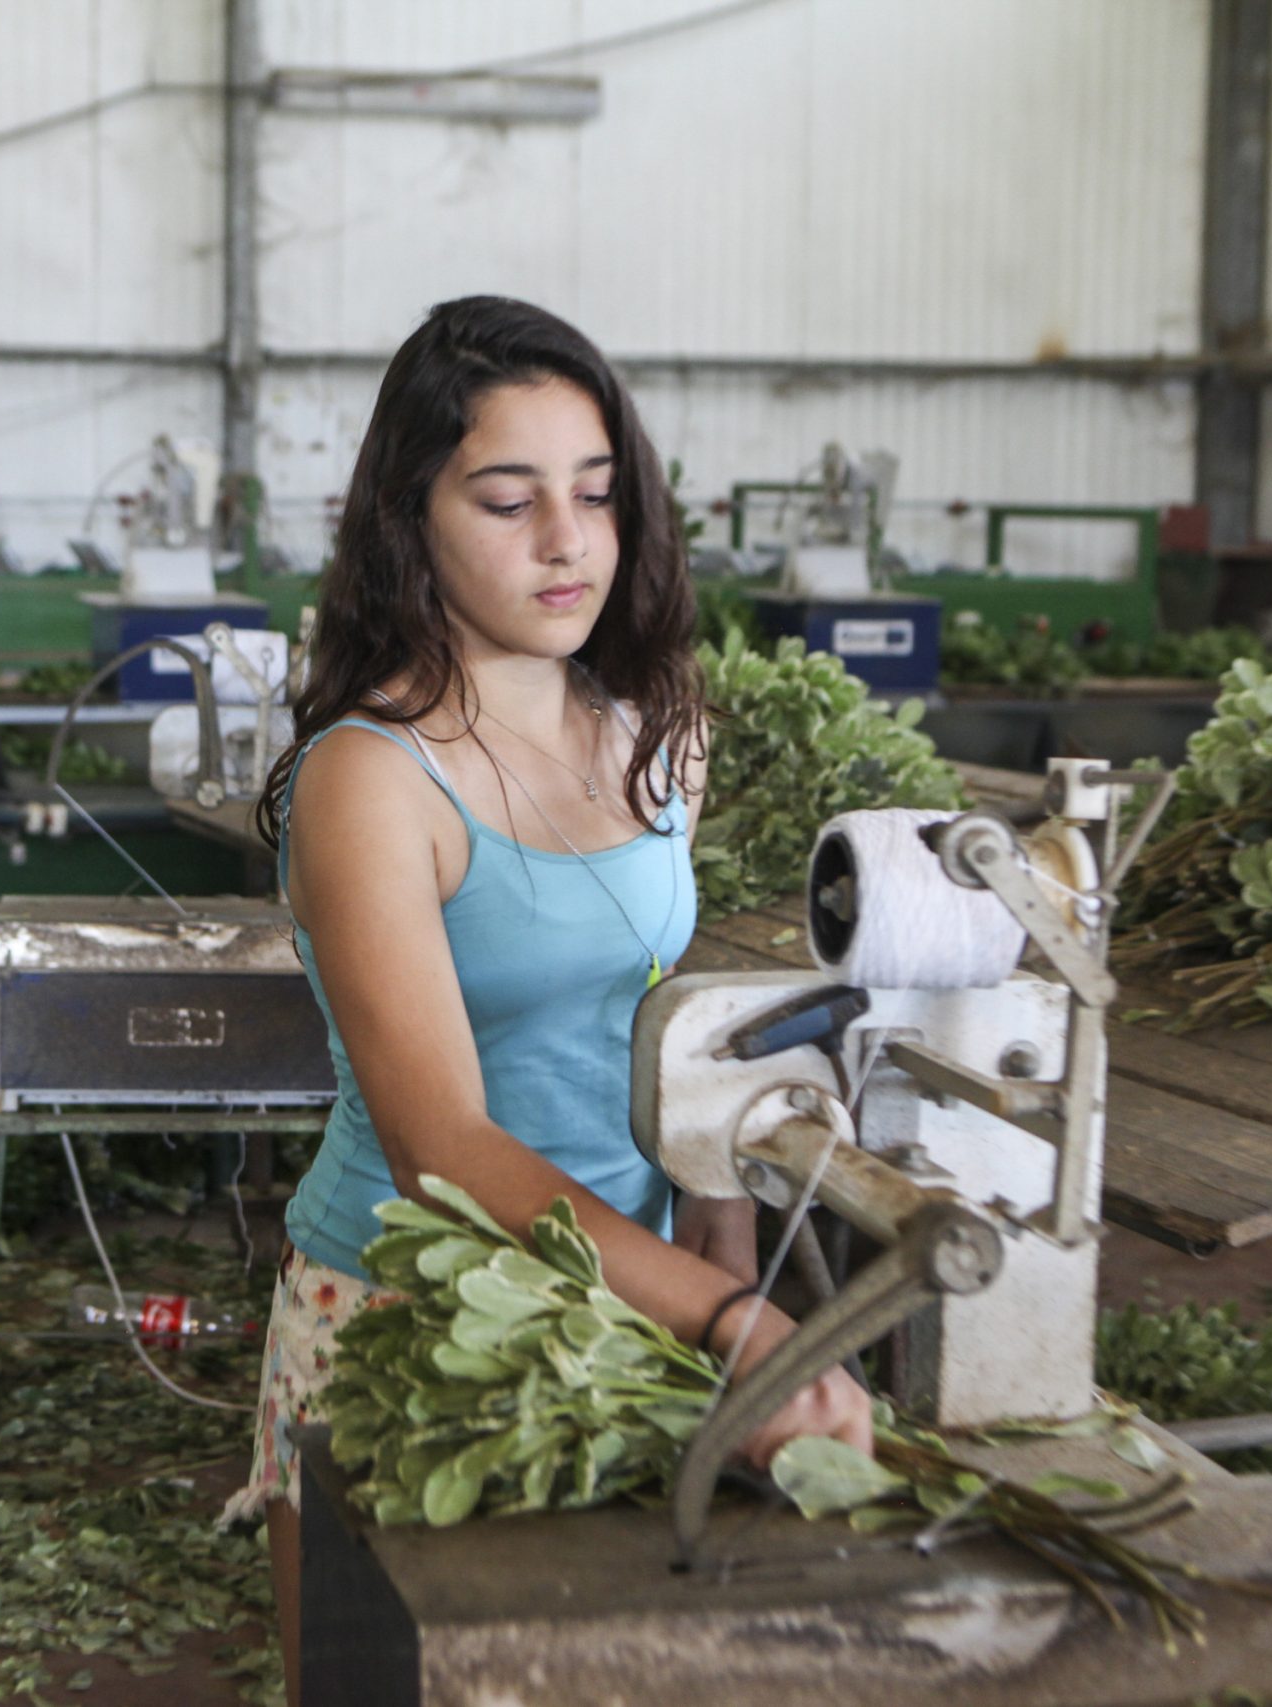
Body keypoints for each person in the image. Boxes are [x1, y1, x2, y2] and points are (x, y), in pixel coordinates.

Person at [222, 296, 872, 1701]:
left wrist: (719, 1229)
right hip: (405, 1316)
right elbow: (440, 1148)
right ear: (411, 519)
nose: (567, 541)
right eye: (509, 501)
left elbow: (654, 1008)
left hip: (622, 1297)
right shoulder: (374, 780)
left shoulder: (657, 733)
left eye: (595, 494)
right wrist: (724, 1322)